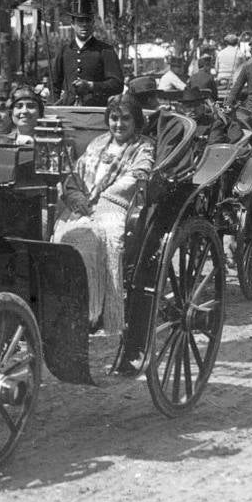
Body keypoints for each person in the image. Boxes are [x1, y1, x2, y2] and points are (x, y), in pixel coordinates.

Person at [52, 94, 154, 341]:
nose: (118, 124)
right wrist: (76, 198)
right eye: (114, 118)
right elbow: (75, 176)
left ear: (136, 121)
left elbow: (136, 178)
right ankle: (65, 303)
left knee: (94, 240)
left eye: (125, 119)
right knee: (62, 238)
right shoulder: (97, 142)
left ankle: (92, 310)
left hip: (116, 206)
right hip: (83, 205)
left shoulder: (143, 146)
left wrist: (103, 198)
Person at [49, 0, 124, 106]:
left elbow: (117, 85)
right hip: (69, 110)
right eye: (80, 21)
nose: (84, 25)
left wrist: (91, 85)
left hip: (96, 111)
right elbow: (54, 85)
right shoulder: (65, 50)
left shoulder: (105, 50)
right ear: (73, 24)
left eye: (88, 20)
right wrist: (53, 109)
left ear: (93, 23)